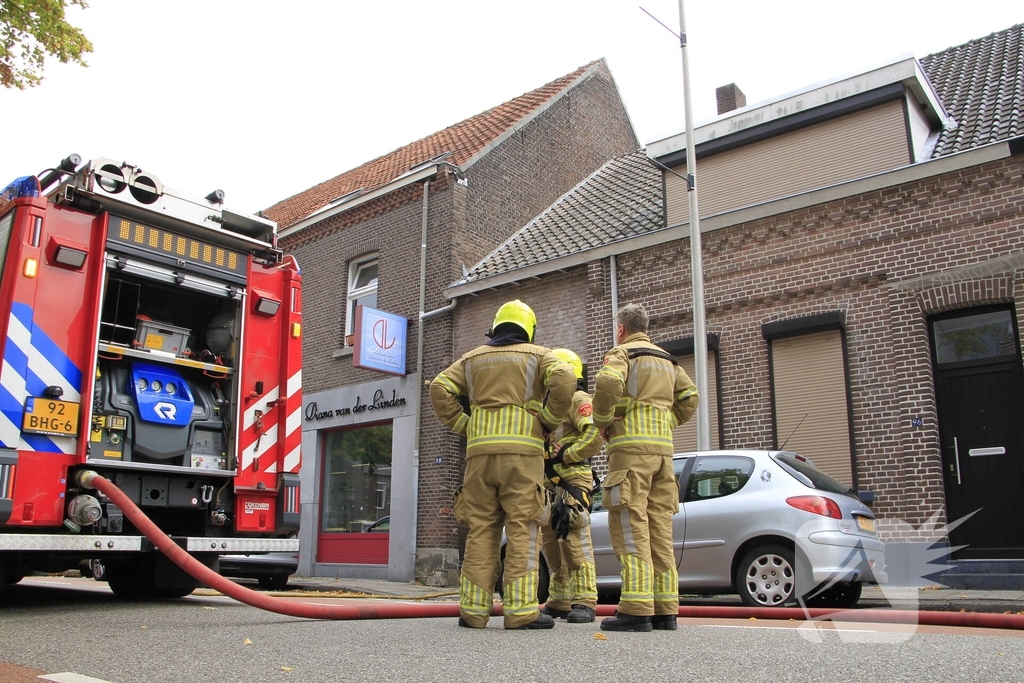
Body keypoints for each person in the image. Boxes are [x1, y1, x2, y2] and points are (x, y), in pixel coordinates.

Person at [430, 299, 576, 629]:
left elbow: (439, 387)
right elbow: (565, 377)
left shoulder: (472, 358)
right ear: (529, 329)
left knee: (481, 529)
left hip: (479, 457)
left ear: (496, 327)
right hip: (522, 456)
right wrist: (548, 421)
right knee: (523, 527)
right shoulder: (539, 355)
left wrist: (464, 425)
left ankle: (473, 611)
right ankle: (521, 611)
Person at [592, 303, 699, 632]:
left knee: (630, 524)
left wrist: (603, 421)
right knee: (660, 530)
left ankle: (637, 609)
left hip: (630, 453)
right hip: (663, 456)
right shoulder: (669, 360)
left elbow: (608, 383)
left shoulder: (623, 353)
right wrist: (666, 421)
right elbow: (690, 397)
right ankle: (666, 610)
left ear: (621, 329)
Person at [539, 348, 603, 624]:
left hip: (573, 480)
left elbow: (595, 433)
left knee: (574, 538)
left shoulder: (579, 399)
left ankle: (585, 600)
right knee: (551, 541)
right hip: (548, 482)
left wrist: (567, 453)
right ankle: (560, 599)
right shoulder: (551, 406)